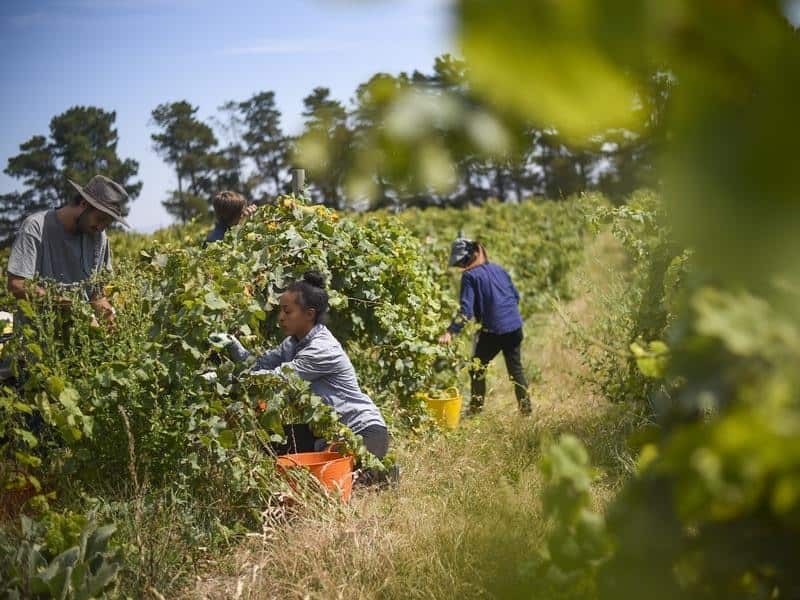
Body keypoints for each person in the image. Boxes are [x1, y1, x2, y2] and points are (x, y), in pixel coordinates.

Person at [210, 271, 390, 460]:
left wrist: (224, 379)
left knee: (346, 478)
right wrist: (232, 344)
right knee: (268, 445)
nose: (280, 317)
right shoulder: (292, 343)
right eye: (280, 310)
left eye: (287, 312)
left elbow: (276, 379)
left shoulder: (322, 349)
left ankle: (383, 476)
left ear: (309, 314)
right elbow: (258, 366)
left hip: (364, 432)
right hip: (327, 432)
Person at [6, 174, 129, 324]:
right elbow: (17, 284)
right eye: (100, 219)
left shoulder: (99, 237)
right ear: (84, 204)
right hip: (39, 337)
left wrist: (108, 315)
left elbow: (96, 295)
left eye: (106, 224)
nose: (101, 227)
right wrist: (65, 305)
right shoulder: (36, 227)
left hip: (79, 341)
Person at [438, 234, 531, 415]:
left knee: (476, 369)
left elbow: (466, 311)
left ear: (466, 260)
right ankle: (526, 411)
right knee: (516, 370)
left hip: (494, 331)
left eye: (460, 263)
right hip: (515, 327)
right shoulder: (498, 269)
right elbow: (516, 297)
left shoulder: (470, 276)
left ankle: (475, 410)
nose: (461, 267)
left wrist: (450, 331)